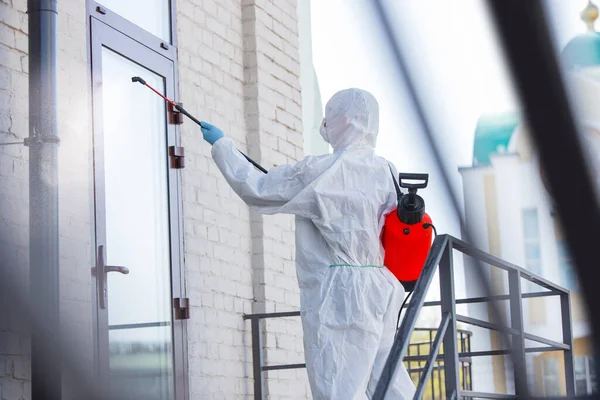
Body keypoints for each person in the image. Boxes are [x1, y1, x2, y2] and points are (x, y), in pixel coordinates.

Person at [200, 88, 416, 400]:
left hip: (340, 295)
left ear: (343, 120)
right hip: (381, 287)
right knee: (388, 381)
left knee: (339, 385)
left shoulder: (322, 170)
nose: (325, 121)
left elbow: (258, 188)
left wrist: (223, 146)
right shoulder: (387, 169)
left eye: (330, 115)